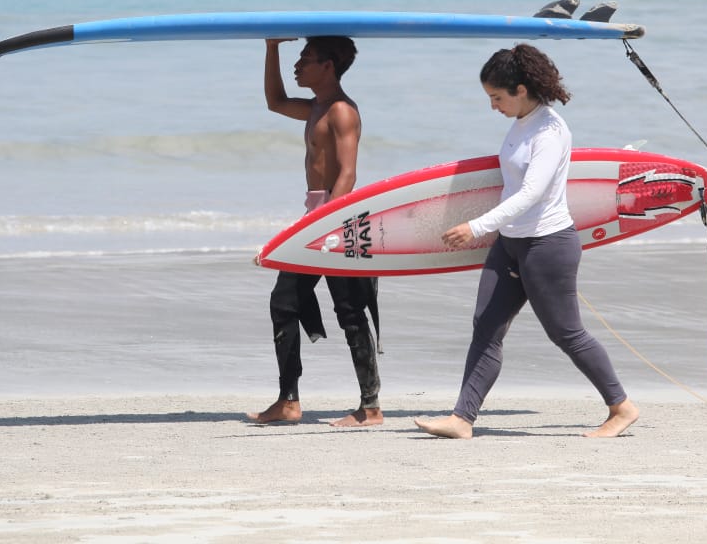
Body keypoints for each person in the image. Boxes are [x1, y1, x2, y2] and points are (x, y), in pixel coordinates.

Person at [414, 44, 638, 440]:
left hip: (547, 245)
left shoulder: (550, 130)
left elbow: (531, 193)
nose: (493, 106)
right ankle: (462, 419)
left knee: (566, 334)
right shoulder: (521, 122)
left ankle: (621, 407)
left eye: (496, 97)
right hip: (511, 243)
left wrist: (477, 226)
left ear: (520, 89)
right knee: (486, 327)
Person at [247, 36, 382, 428]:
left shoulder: (342, 111)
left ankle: (370, 408)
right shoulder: (314, 108)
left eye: (305, 58)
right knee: (284, 303)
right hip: (317, 219)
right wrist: (271, 47)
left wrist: (326, 226)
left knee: (351, 312)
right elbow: (274, 101)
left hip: (338, 221)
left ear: (328, 66)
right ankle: (288, 401)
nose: (298, 64)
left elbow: (348, 173)